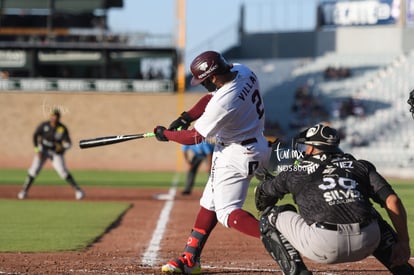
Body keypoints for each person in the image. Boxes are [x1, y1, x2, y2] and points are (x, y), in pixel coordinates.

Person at [153, 50, 271, 274]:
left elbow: (194, 137)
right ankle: (190, 258)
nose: (203, 85)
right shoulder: (243, 71)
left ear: (214, 77)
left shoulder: (225, 101)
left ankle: (276, 236)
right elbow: (211, 98)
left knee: (227, 212)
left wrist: (166, 134)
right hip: (250, 144)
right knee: (209, 203)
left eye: (204, 81)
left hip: (236, 153)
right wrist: (186, 117)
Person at [254, 123, 414, 275]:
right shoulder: (359, 165)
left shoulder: (296, 171)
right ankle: (401, 268)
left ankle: (297, 272)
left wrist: (266, 182)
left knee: (270, 217)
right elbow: (392, 201)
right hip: (367, 241)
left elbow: (264, 197)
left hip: (324, 246)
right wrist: (404, 242)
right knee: (370, 212)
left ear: (311, 148)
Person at [18, 109, 85, 200]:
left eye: (56, 116)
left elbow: (68, 143)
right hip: (43, 150)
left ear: (59, 117)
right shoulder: (44, 125)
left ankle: (78, 190)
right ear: (50, 116)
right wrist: (37, 150)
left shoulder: (62, 128)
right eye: (53, 116)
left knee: (63, 171)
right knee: (33, 170)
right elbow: (35, 135)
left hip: (55, 153)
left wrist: (63, 147)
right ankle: (24, 191)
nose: (54, 118)